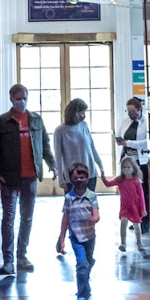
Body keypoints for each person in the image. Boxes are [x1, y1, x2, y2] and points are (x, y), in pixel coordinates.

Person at [0, 84, 50, 275]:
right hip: (9, 177)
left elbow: (44, 144)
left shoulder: (36, 120)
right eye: (18, 98)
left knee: (27, 218)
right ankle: (8, 260)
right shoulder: (1, 122)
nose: (21, 101)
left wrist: (52, 164)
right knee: (8, 218)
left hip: (30, 177)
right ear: (11, 99)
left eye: (24, 97)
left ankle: (22, 255)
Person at [51, 98, 103, 256]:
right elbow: (58, 157)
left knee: (87, 211)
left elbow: (92, 148)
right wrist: (61, 179)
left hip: (90, 175)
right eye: (82, 112)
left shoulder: (84, 126)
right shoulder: (60, 131)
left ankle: (86, 245)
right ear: (73, 112)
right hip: (72, 178)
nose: (84, 115)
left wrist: (101, 166)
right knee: (72, 213)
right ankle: (64, 239)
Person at [61, 161, 101, 300]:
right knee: (82, 264)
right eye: (75, 178)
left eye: (82, 178)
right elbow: (65, 219)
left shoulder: (92, 196)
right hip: (76, 237)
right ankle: (82, 295)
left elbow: (97, 214)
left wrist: (93, 219)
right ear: (71, 180)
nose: (79, 181)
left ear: (87, 178)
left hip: (90, 236)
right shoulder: (68, 198)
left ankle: (86, 284)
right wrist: (62, 239)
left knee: (87, 262)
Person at [116, 96, 150, 253]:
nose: (130, 114)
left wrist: (129, 143)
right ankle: (133, 219)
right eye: (128, 111)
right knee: (129, 194)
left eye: (133, 111)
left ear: (139, 110)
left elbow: (147, 141)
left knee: (142, 193)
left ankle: (144, 222)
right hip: (127, 160)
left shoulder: (146, 123)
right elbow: (119, 134)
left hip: (141, 161)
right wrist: (120, 141)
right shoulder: (126, 122)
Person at [104, 153, 147, 252]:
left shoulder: (136, 181)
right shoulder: (120, 180)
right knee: (123, 222)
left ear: (133, 168)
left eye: (128, 167)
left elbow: (141, 197)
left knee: (137, 226)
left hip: (135, 207)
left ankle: (139, 242)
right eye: (124, 167)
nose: (126, 169)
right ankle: (123, 243)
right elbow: (108, 184)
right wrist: (103, 177)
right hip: (125, 207)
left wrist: (143, 209)